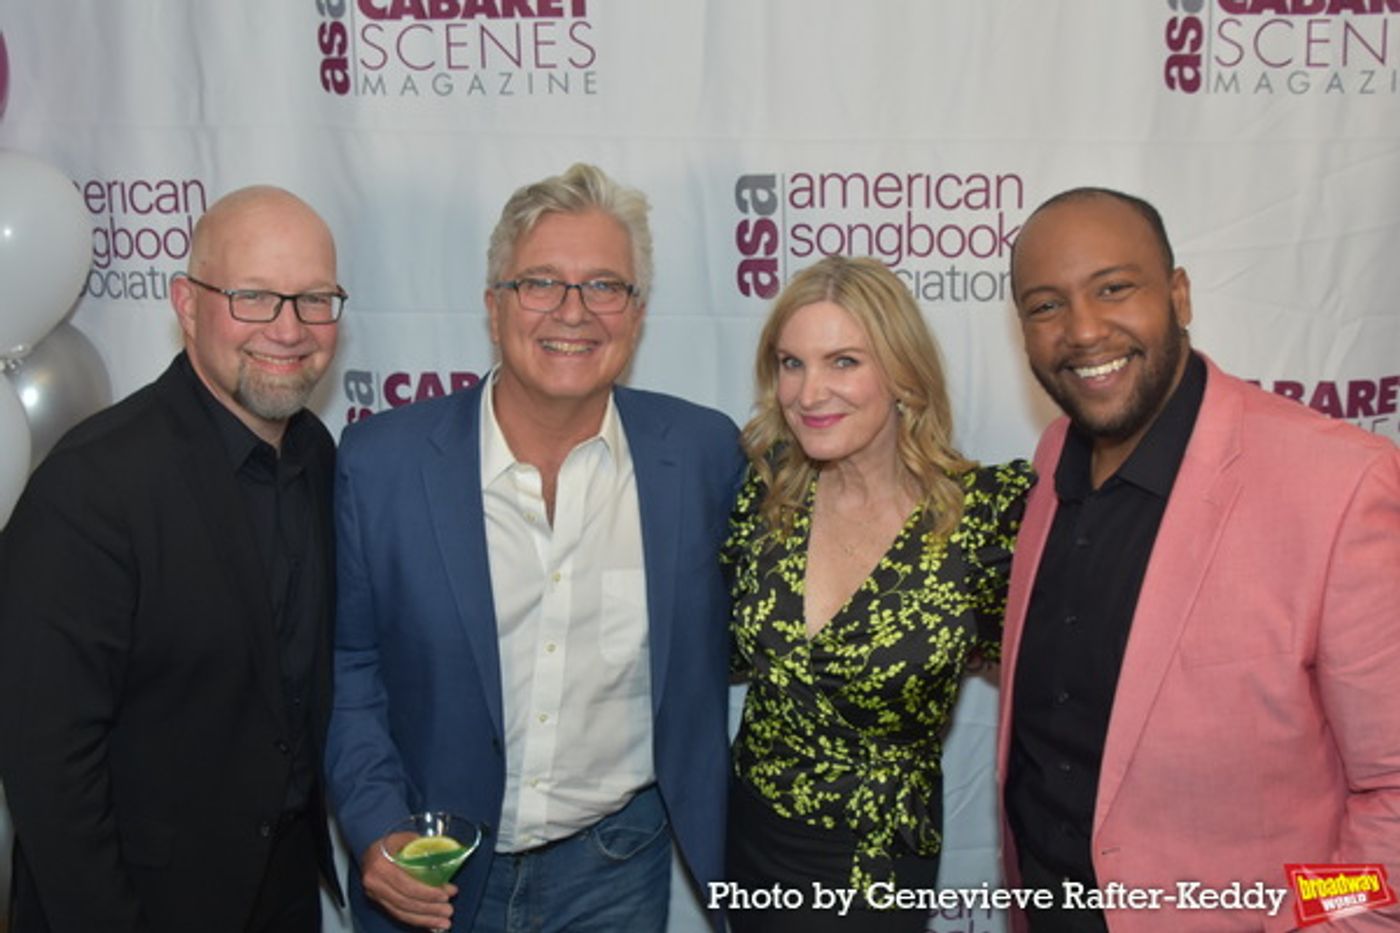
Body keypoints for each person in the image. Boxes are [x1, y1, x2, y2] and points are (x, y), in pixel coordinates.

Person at [325, 163, 746, 933]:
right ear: (495, 307)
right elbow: (349, 668)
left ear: (638, 312)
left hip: (617, 864)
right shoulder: (380, 464)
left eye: (605, 286)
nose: (574, 312)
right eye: (541, 283)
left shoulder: (703, 455)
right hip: (434, 870)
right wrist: (375, 824)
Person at [997, 187, 1400, 932]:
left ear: (1178, 294)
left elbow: (1391, 792)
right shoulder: (1055, 455)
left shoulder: (1340, 484)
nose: (1083, 330)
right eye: (1046, 306)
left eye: (1114, 288)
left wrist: (1326, 925)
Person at [0, 185, 348, 932]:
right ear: (187, 305)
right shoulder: (91, 486)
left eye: (315, 299)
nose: (289, 328)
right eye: (253, 296)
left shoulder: (317, 457)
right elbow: (49, 770)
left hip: (282, 898)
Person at [722, 255, 1032, 932]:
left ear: (901, 373)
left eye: (843, 361)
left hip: (879, 865)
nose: (808, 392)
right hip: (750, 839)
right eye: (791, 363)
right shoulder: (762, 491)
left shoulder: (984, 517)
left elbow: (1059, 679)